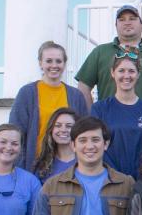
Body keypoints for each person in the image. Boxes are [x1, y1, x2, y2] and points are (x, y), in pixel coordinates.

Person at [10, 41, 89, 173]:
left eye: (58, 61)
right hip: (34, 166)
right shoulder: (27, 93)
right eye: (49, 61)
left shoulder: (76, 96)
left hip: (68, 166)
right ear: (40, 63)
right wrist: (19, 168)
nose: (54, 65)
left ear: (64, 64)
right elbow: (16, 133)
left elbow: (84, 133)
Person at [76, 4, 142, 107]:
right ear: (116, 25)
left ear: (141, 25)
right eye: (122, 20)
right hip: (108, 122)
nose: (127, 23)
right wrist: (91, 117)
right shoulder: (100, 52)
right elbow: (83, 86)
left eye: (132, 19)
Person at [91, 56, 142, 178]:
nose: (126, 76)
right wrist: (116, 177)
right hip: (109, 181)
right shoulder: (99, 109)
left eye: (132, 71)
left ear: (138, 74)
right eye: (121, 70)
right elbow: (95, 146)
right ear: (113, 73)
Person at [32, 107, 79, 181]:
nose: (63, 130)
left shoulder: (86, 161)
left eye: (69, 126)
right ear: (51, 129)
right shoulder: (42, 164)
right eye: (58, 125)